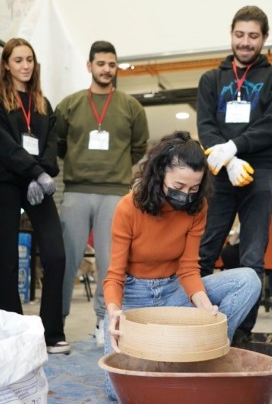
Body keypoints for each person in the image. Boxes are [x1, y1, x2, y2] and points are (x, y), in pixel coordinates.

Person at [103, 131, 261, 399]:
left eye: (193, 188)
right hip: (133, 298)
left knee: (248, 280)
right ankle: (174, 356)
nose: (185, 195)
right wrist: (114, 312)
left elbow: (188, 268)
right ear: (160, 174)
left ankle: (209, 354)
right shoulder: (128, 207)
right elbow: (114, 276)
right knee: (118, 391)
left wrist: (205, 309)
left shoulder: (197, 207)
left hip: (172, 292)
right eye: (178, 187)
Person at [196, 5, 272, 346]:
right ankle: (196, 320)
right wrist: (225, 156)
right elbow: (205, 125)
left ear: (264, 38)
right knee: (204, 251)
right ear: (231, 35)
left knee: (252, 256)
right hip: (219, 173)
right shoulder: (212, 79)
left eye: (253, 36)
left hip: (261, 172)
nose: (245, 42)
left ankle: (240, 333)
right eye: (240, 34)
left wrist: (235, 147)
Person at [55, 40, 149, 345]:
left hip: (115, 194)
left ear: (116, 67)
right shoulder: (69, 105)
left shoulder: (131, 107)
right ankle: (56, 326)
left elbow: (139, 146)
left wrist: (117, 170)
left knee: (112, 264)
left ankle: (102, 322)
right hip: (77, 192)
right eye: (101, 64)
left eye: (111, 64)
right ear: (90, 66)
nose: (106, 69)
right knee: (67, 260)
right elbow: (57, 143)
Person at [0, 38, 70, 354]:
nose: (25, 65)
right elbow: (4, 147)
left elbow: (51, 146)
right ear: (6, 64)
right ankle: (13, 331)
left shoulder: (44, 104)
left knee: (55, 254)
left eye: (30, 60)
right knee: (8, 257)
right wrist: (35, 172)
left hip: (40, 183)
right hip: (7, 183)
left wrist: (43, 173)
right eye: (18, 60)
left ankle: (52, 332)